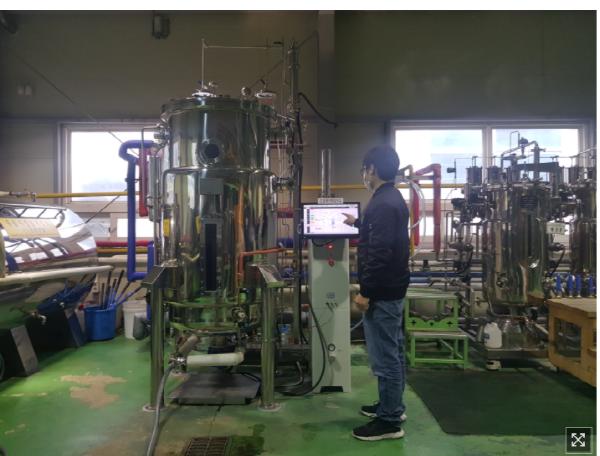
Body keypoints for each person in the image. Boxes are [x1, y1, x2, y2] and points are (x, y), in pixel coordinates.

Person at [343, 144, 410, 441]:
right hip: (391, 288)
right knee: (392, 352)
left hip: (382, 292)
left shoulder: (383, 203)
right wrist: (357, 223)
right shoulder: (389, 197)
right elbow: (379, 235)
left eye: (365, 169)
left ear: (372, 169)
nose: (364, 174)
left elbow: (380, 252)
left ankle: (390, 421)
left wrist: (365, 293)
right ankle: (391, 406)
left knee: (385, 358)